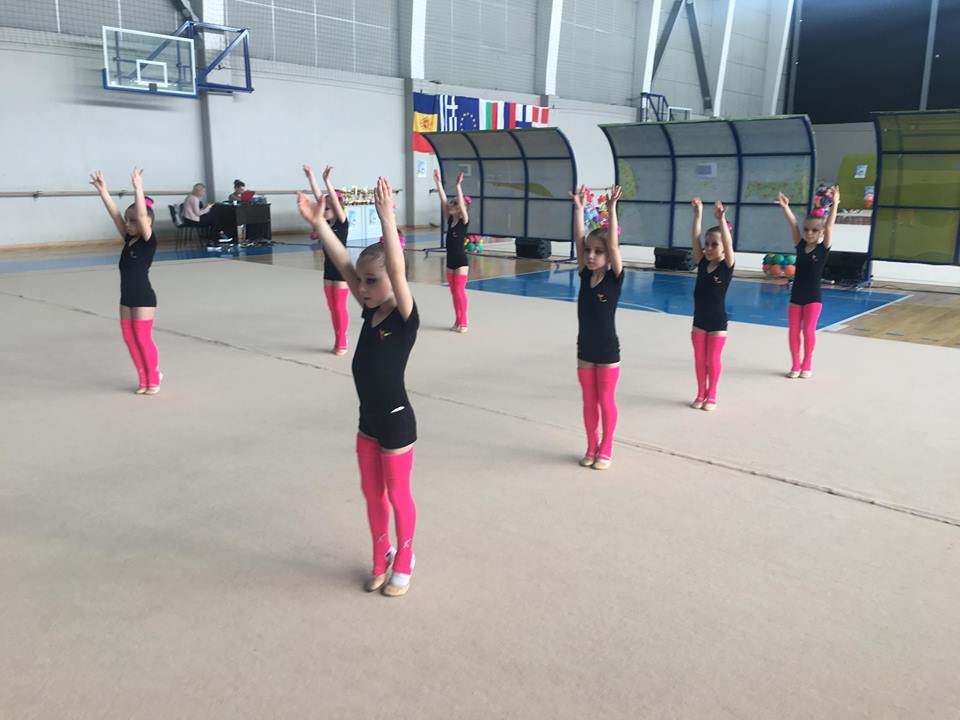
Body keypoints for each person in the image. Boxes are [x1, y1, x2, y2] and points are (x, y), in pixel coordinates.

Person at [297, 176, 419, 597]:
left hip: (397, 422)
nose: (363, 289)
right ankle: (380, 555)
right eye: (362, 282)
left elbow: (396, 270)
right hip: (368, 422)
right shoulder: (370, 312)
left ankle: (405, 558)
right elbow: (344, 264)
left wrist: (386, 219)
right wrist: (320, 223)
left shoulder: (403, 317)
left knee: (398, 494)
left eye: (373, 282)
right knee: (371, 494)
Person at [90, 168, 162, 395]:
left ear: (147, 223)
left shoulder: (149, 241)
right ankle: (143, 379)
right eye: (128, 220)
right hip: (126, 298)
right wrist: (103, 191)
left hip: (143, 297)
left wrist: (138, 187)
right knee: (130, 338)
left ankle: (154, 378)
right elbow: (115, 215)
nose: (128, 224)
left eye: (133, 221)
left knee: (142, 337)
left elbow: (141, 214)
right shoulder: (128, 238)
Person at [569, 184, 624, 470]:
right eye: (588, 251)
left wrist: (611, 209)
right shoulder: (583, 275)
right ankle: (592, 445)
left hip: (607, 350)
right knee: (589, 401)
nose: (591, 256)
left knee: (605, 400)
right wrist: (579, 209)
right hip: (585, 348)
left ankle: (607, 446)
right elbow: (579, 240)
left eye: (598, 252)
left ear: (608, 256)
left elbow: (613, 245)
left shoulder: (614, 278)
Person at [777, 186, 839, 379]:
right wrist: (785, 207)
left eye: (814, 230)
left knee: (808, 331)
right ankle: (795, 365)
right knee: (793, 331)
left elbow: (829, 226)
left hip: (813, 297)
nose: (809, 233)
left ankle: (807, 364)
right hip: (796, 296)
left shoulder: (823, 248)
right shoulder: (800, 245)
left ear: (821, 233)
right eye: (807, 229)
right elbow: (793, 225)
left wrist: (835, 204)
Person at [689, 198, 735, 411]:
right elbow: (695, 238)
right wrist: (698, 214)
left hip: (717, 322)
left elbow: (728, 243)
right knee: (699, 360)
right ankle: (701, 392)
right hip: (699, 320)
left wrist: (721, 220)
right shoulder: (702, 263)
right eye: (707, 244)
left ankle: (712, 394)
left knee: (712, 359)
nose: (708, 248)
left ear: (724, 248)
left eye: (714, 244)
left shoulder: (726, 266)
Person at [304, 164, 351, 354]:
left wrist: (327, 181)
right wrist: (311, 177)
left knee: (339, 306)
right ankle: (338, 336)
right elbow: (319, 199)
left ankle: (342, 341)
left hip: (342, 267)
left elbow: (334, 203)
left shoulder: (342, 223)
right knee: (332, 306)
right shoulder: (325, 224)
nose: (324, 211)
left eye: (329, 209)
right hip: (328, 267)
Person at [433, 169, 470, 332]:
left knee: (460, 291)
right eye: (452, 203)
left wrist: (458, 186)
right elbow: (443, 201)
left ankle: (464, 321)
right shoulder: (449, 220)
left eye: (455, 203)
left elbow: (461, 204)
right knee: (454, 292)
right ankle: (457, 320)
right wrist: (438, 183)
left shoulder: (464, 221)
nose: (452, 204)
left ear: (462, 208)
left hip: (461, 261)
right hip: (450, 261)